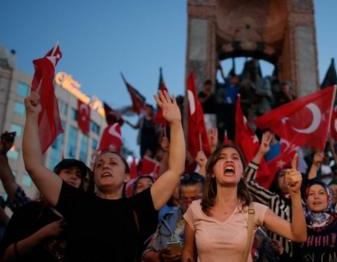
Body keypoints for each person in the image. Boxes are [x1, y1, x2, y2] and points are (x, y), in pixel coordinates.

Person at [22, 90, 185, 262]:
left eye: (113, 163)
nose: (105, 165)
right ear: (94, 175)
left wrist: (175, 122)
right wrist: (32, 117)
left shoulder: (139, 206)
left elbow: (175, 170)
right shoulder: (76, 202)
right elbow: (33, 166)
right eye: (99, 164)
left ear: (127, 176)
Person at [181, 143, 307, 262]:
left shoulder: (255, 211)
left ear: (242, 173)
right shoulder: (196, 208)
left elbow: (299, 235)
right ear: (212, 172)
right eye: (222, 157)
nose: (229, 160)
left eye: (235, 158)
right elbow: (188, 251)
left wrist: (295, 194)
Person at [0, 159, 88, 262]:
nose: (74, 177)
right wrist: (43, 233)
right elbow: (5, 256)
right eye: (68, 171)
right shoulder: (30, 210)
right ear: (53, 177)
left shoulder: (81, 221)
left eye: (78, 175)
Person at [244, 132, 299, 260]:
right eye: (281, 175)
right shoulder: (271, 197)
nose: (285, 177)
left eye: (289, 173)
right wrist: (261, 152)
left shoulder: (306, 200)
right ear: (276, 183)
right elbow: (246, 182)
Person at [143, 173, 204, 262]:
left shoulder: (217, 217)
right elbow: (146, 253)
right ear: (179, 199)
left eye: (194, 199)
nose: (189, 205)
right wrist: (161, 257)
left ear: (206, 197)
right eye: (184, 199)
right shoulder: (168, 219)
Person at [299, 179, 337, 261]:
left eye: (321, 193)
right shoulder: (300, 227)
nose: (316, 197)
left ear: (328, 198)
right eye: (311, 194)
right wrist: (282, 252)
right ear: (306, 200)